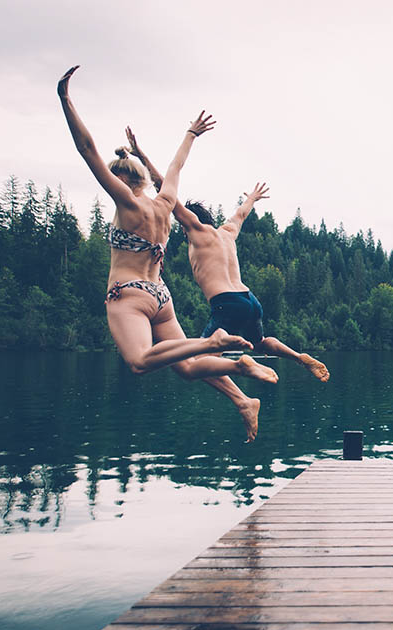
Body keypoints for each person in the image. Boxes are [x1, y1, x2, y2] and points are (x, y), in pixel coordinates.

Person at [57, 66, 279, 401]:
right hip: (161, 297)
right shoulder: (164, 203)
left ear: (120, 181)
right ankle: (240, 375)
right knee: (189, 368)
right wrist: (190, 134)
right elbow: (175, 168)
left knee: (139, 361)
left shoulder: (128, 205)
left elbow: (87, 149)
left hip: (130, 294)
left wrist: (65, 99)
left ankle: (212, 343)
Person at [126, 130, 330, 384]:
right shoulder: (227, 233)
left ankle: (241, 365)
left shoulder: (197, 230)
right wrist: (252, 199)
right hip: (250, 299)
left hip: (227, 303)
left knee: (197, 361)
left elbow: (164, 188)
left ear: (190, 220)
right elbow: (241, 214)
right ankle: (299, 357)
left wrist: (141, 156)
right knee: (261, 343)